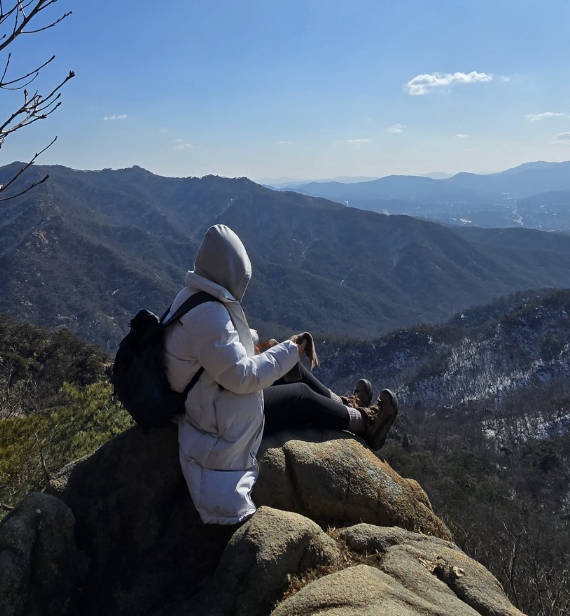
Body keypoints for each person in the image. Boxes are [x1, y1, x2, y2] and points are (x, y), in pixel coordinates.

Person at [164, 223, 398, 526]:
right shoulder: (208, 315)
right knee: (299, 396)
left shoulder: (191, 297)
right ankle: (365, 424)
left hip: (210, 398)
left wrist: (277, 350)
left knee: (287, 362)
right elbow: (243, 377)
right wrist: (288, 351)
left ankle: (342, 405)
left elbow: (219, 353)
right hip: (218, 420)